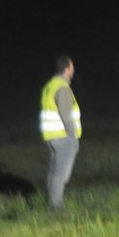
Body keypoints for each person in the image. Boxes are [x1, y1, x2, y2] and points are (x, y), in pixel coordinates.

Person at [39, 54, 81, 209]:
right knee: (61, 174)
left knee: (54, 172)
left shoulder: (50, 85)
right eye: (72, 66)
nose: (73, 69)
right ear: (67, 69)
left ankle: (51, 201)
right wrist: (73, 134)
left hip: (51, 136)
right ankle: (56, 206)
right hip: (64, 137)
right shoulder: (62, 88)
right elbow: (66, 113)